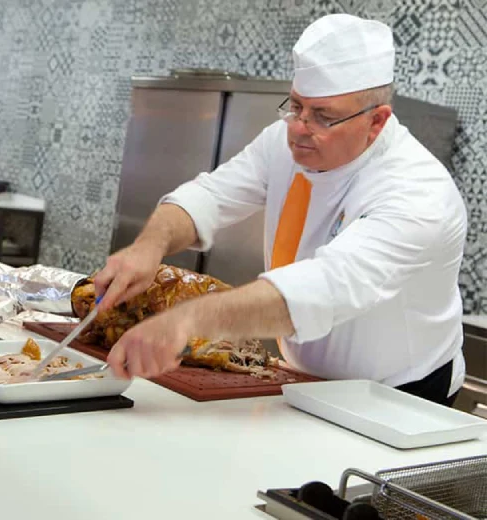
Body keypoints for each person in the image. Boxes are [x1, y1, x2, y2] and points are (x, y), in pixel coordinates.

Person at [94, 13, 467, 407]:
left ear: (376, 122)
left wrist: (184, 321)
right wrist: (148, 247)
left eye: (323, 116)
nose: (299, 127)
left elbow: (324, 287)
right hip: (304, 377)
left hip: (398, 393)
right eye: (296, 106)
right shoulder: (285, 142)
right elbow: (210, 196)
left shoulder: (418, 193)